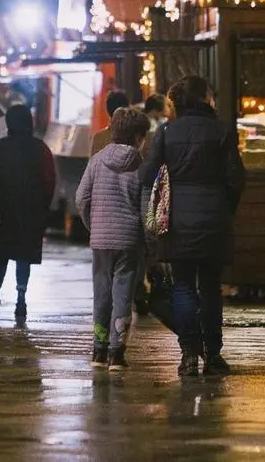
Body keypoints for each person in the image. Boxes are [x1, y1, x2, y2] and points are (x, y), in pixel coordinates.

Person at [140, 75, 245, 377]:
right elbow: (236, 178)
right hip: (214, 218)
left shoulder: (166, 132)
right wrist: (225, 208)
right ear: (203, 99)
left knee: (183, 286)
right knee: (211, 287)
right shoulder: (221, 131)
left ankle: (188, 355)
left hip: (177, 221)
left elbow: (147, 175)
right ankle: (213, 356)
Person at [77, 107, 150, 370]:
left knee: (101, 294)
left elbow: (81, 198)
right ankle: (117, 355)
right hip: (129, 241)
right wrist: (148, 242)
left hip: (101, 239)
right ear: (139, 136)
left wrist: (92, 225)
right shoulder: (141, 166)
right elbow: (145, 211)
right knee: (123, 296)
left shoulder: (97, 160)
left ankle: (98, 350)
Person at [0, 105, 56, 322]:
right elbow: (48, 182)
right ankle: (20, 300)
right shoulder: (40, 149)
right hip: (31, 212)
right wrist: (43, 209)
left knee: (1, 256)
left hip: (3, 212)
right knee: (23, 257)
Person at [90, 90, 131, 156]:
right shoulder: (134, 136)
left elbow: (92, 164)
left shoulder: (98, 137)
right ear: (126, 109)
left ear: (107, 109)